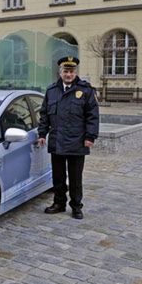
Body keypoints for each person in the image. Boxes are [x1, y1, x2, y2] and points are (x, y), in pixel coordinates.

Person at [37, 56, 99, 220]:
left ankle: (76, 206)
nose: (68, 74)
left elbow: (92, 116)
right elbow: (44, 115)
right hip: (57, 140)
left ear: (75, 72)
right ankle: (59, 203)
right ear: (60, 72)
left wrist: (90, 136)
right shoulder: (51, 91)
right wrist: (42, 133)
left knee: (75, 178)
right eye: (66, 71)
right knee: (57, 176)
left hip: (77, 141)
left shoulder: (85, 90)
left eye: (71, 71)